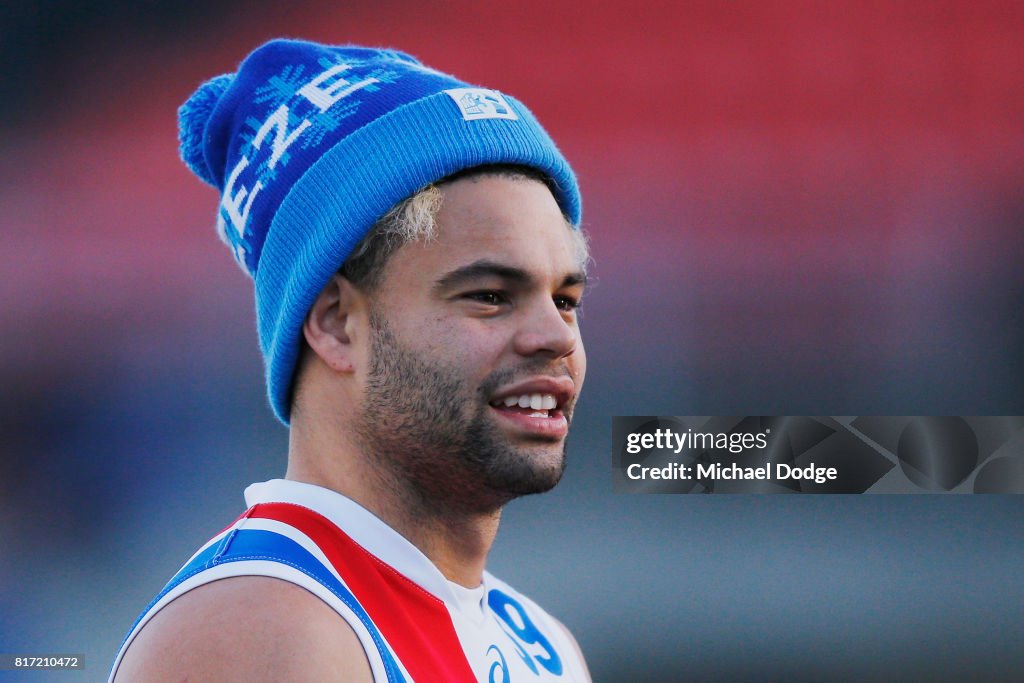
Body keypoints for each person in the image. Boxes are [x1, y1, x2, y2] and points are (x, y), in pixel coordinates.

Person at [109, 38, 592, 682]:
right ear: (336, 322)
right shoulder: (262, 632)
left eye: (565, 299)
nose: (554, 336)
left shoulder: (543, 645)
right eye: (489, 296)